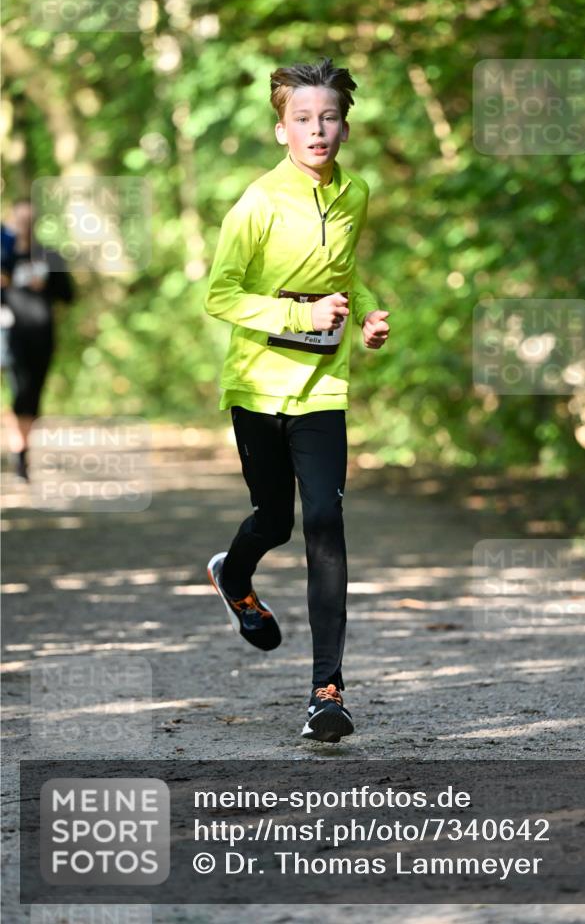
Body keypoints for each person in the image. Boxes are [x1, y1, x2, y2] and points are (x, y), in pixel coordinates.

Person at [204, 56, 390, 743]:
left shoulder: (356, 193)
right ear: (280, 128)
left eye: (329, 117)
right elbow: (218, 295)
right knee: (273, 520)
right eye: (303, 119)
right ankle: (234, 574)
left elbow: (345, 273)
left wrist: (366, 314)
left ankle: (326, 692)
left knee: (323, 524)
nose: (318, 129)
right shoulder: (256, 204)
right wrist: (299, 318)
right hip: (256, 388)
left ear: (345, 126)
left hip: (322, 391)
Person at [1, 198, 75, 481]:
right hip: (11, 336)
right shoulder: (4, 257)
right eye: (20, 222)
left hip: (43, 337)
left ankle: (22, 450)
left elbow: (68, 295)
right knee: (20, 392)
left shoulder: (50, 255)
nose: (24, 228)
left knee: (33, 396)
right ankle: (19, 452)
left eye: (29, 222)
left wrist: (47, 283)